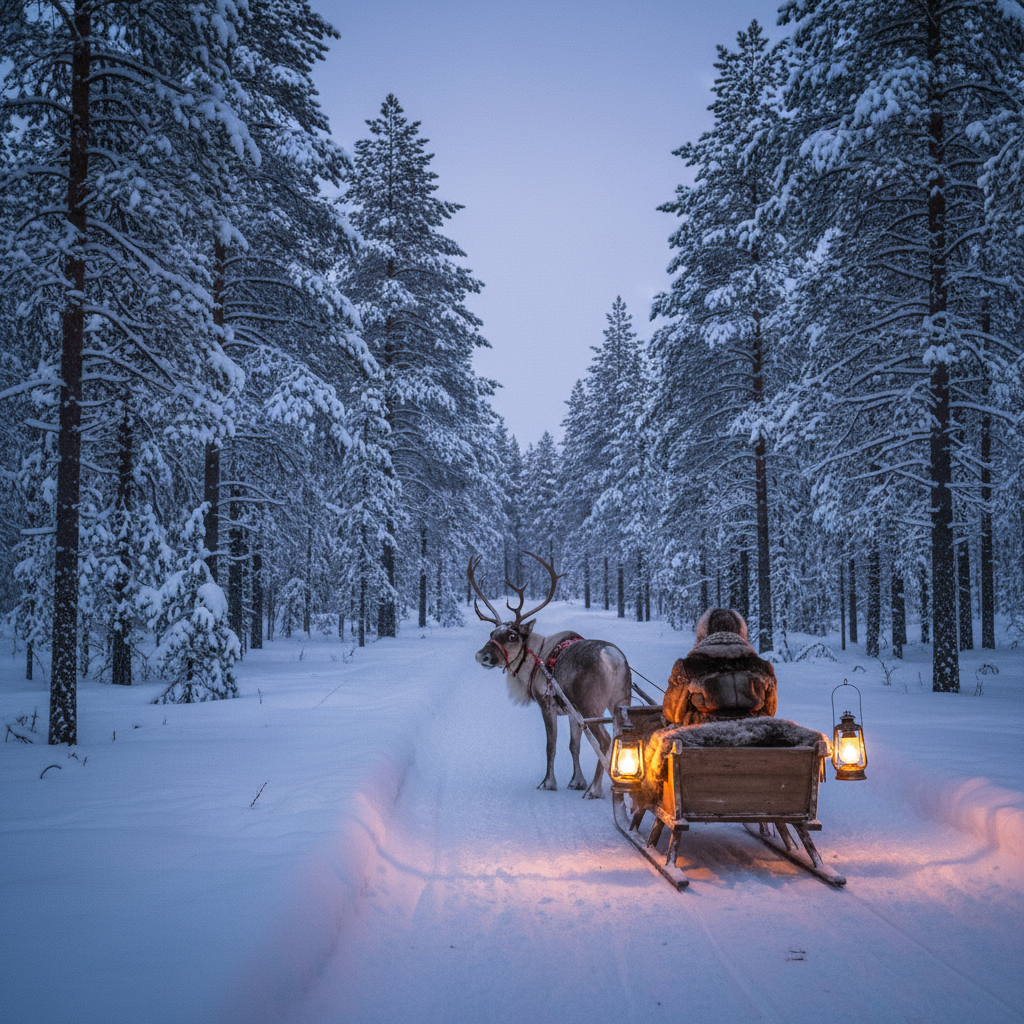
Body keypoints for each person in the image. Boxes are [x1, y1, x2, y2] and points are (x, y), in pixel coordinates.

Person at [663, 608, 777, 726]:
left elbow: (673, 714)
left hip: (699, 739)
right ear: (741, 632)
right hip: (753, 738)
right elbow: (769, 713)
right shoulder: (762, 667)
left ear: (703, 633)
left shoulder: (687, 667)